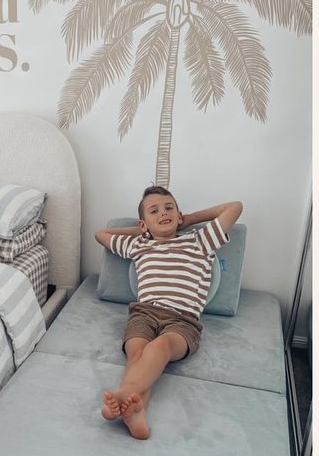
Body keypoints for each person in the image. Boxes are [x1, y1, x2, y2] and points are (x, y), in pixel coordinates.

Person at [94, 186, 243, 439]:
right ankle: (136, 413)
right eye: (155, 211)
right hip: (143, 314)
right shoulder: (139, 245)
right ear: (143, 224)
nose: (163, 213)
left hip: (182, 321)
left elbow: (235, 207)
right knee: (137, 354)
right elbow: (101, 234)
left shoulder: (199, 240)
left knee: (158, 348)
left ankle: (123, 394)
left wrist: (187, 221)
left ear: (179, 213)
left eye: (169, 208)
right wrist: (143, 231)